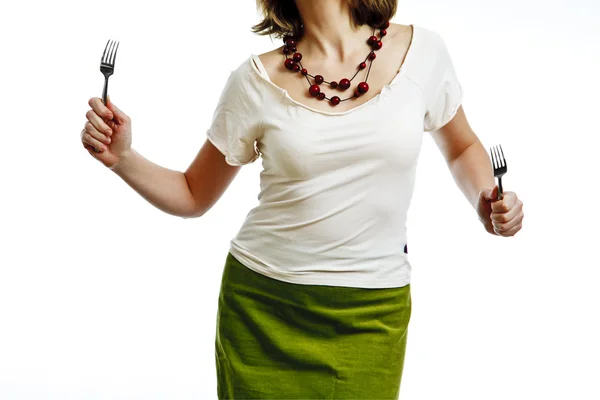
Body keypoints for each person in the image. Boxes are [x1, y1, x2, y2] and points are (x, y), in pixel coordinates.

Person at [80, 0, 525, 398]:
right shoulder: (255, 80)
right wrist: (123, 158)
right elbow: (193, 194)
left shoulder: (422, 53)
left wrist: (487, 201)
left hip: (372, 310)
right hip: (264, 308)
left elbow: (463, 146)